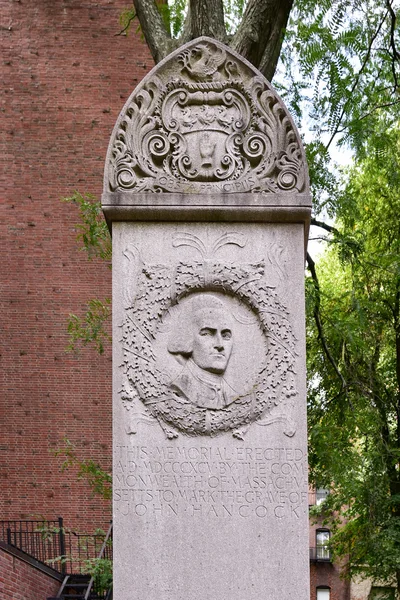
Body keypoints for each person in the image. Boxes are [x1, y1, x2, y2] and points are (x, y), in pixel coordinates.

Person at [167, 294, 238, 410]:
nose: (220, 345)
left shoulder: (231, 395)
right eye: (207, 334)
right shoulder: (180, 388)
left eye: (226, 336)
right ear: (188, 340)